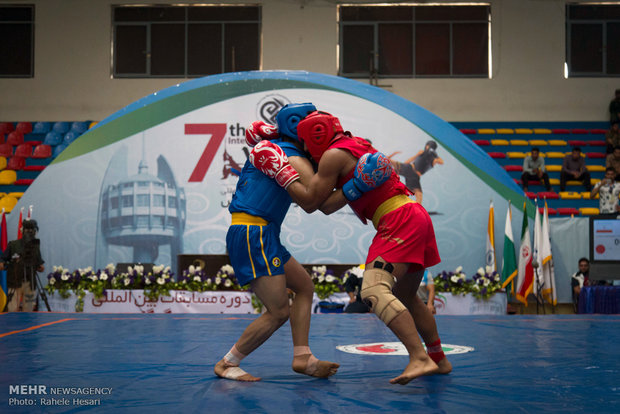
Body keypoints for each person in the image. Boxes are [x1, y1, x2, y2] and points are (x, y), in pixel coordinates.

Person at [250, 110, 452, 385]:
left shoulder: (333, 156)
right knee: (407, 296)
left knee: (373, 289)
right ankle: (439, 359)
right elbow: (330, 206)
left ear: (315, 136)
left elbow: (312, 204)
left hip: (398, 218)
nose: (306, 151)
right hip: (415, 214)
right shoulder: (357, 145)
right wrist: (356, 186)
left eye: (306, 144)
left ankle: (418, 357)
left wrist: (283, 173)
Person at [213, 103, 339, 382]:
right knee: (279, 311)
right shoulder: (292, 157)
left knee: (304, 286)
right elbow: (318, 203)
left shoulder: (280, 149)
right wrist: (358, 184)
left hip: (262, 233)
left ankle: (302, 356)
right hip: (252, 235)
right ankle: (227, 363)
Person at [0, 219, 45, 312]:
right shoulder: (13, 244)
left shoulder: (35, 246)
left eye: (32, 230)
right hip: (14, 282)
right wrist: (3, 264)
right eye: (27, 230)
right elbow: (2, 260)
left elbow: (40, 264)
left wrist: (40, 267)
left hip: (30, 282)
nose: (29, 232)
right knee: (12, 310)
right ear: (22, 231)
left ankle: (28, 326)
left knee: (28, 311)